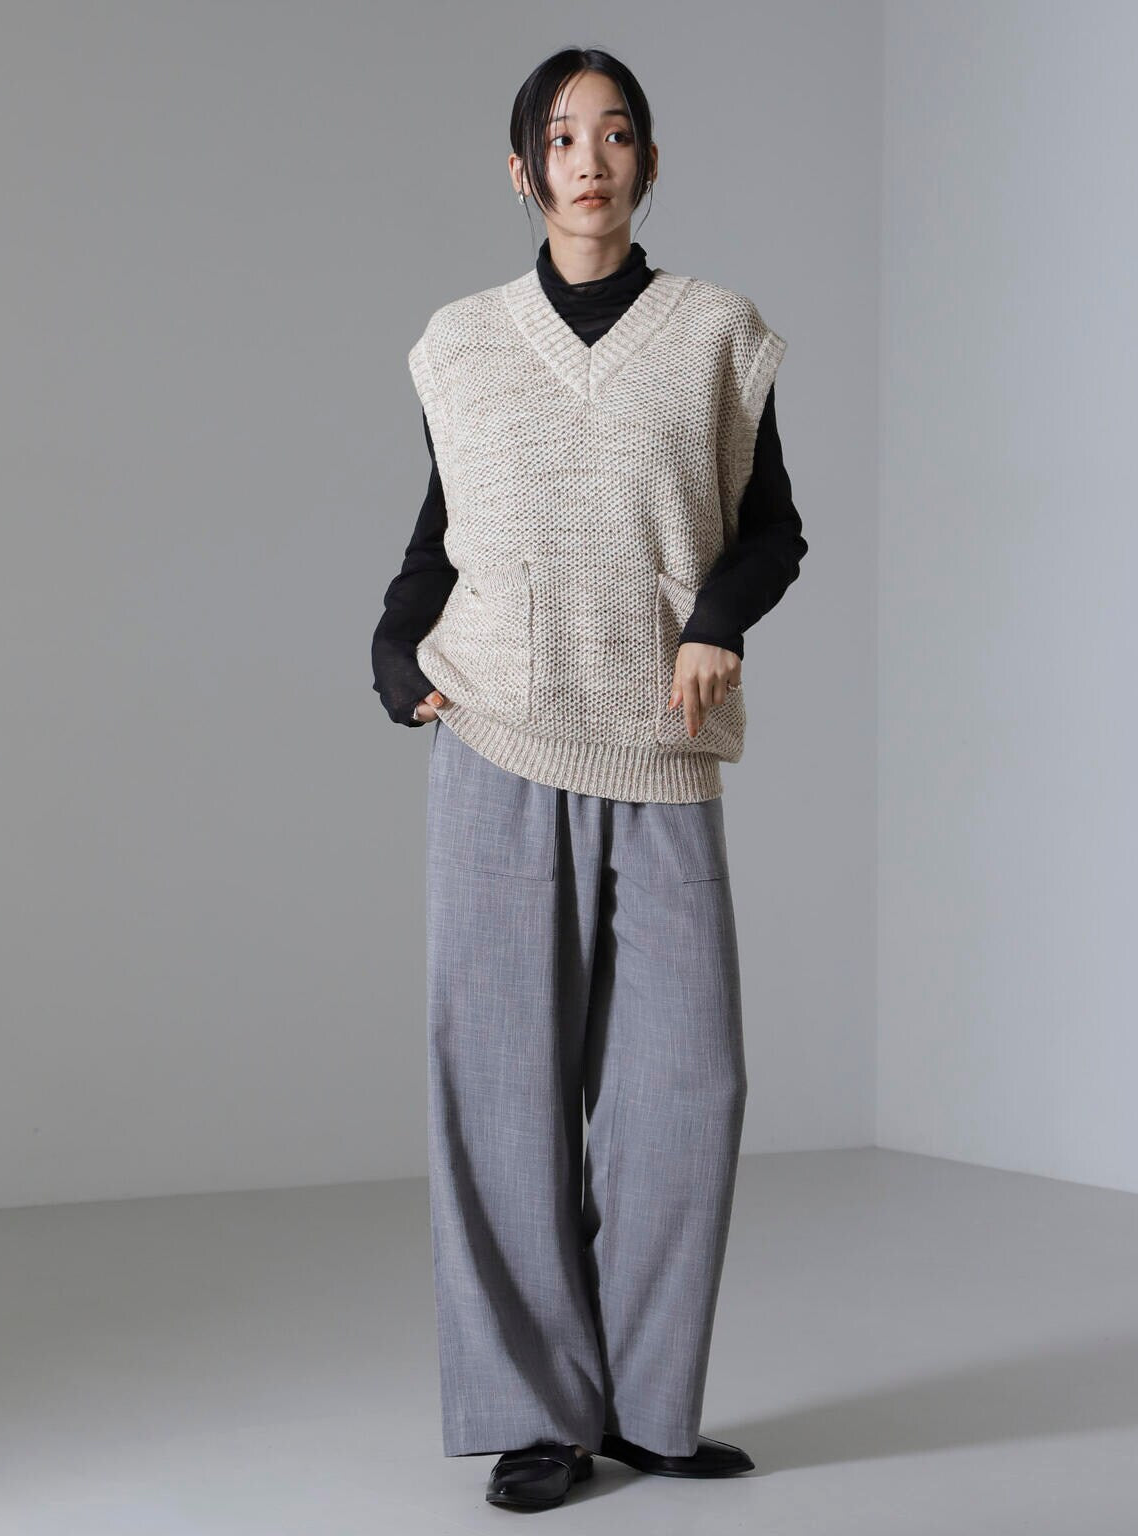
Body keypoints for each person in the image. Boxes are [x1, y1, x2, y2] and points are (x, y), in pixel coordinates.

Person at [370, 47, 807, 1512]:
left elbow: (771, 530)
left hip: (660, 749)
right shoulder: (460, 346)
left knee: (685, 1088)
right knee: (501, 1089)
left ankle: (651, 1407)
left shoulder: (715, 336)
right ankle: (536, 1417)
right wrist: (393, 656)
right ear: (523, 170)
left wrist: (716, 622)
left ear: (649, 163)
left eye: (617, 134)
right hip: (495, 738)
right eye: (562, 138)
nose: (591, 160)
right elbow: (439, 541)